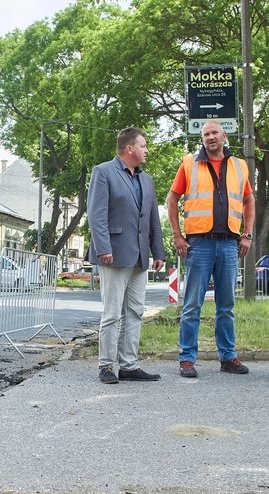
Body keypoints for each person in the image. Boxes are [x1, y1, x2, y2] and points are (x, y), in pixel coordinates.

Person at [166, 120, 255, 378]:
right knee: (192, 304)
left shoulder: (240, 166)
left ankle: (228, 357)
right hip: (199, 243)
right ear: (202, 138)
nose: (210, 137)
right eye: (206, 134)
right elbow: (172, 199)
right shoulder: (189, 163)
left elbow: (249, 200)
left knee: (226, 305)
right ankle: (187, 359)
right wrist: (177, 236)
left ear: (224, 135)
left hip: (229, 243)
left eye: (214, 132)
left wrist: (247, 234)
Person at [87, 127, 166, 384]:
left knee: (135, 311)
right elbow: (97, 214)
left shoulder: (147, 179)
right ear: (129, 148)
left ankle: (129, 364)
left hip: (140, 256)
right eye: (143, 145)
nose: (147, 150)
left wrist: (159, 251)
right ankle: (107, 365)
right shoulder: (103, 172)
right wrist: (103, 248)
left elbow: (153, 217)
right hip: (114, 252)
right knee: (112, 313)